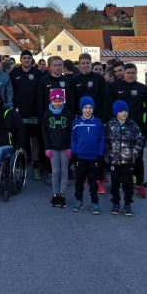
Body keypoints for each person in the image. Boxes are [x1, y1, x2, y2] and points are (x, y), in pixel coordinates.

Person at [108, 63, 147, 199]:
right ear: (124, 73)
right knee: (118, 157)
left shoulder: (143, 88)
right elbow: (109, 106)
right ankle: (118, 183)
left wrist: (146, 126)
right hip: (119, 128)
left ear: (136, 73)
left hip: (137, 128)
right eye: (128, 73)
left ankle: (139, 184)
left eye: (133, 73)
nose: (130, 75)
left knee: (137, 157)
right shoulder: (115, 87)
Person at [71, 53, 110, 193]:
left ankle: (98, 179)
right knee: (83, 147)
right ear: (79, 64)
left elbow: (105, 99)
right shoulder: (75, 80)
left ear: (91, 64)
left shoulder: (99, 79)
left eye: (88, 63)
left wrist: (104, 119)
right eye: (83, 63)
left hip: (97, 119)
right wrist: (74, 118)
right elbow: (73, 101)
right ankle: (85, 176)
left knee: (98, 149)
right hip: (81, 121)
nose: (85, 65)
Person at [36, 56, 74, 186]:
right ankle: (51, 172)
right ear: (50, 66)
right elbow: (40, 101)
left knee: (65, 146)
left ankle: (65, 173)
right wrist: (42, 118)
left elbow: (71, 100)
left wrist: (71, 116)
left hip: (64, 120)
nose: (58, 68)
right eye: (55, 65)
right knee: (49, 146)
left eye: (60, 65)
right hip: (49, 120)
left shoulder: (67, 81)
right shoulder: (44, 80)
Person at [104, 100, 143, 217]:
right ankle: (115, 203)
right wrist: (109, 153)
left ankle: (127, 204)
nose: (124, 113)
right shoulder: (110, 125)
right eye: (121, 111)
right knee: (115, 183)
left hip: (128, 160)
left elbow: (139, 140)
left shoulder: (133, 125)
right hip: (114, 160)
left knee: (128, 183)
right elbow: (106, 141)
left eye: (125, 111)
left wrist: (134, 153)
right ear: (116, 112)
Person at [10, 49, 44, 181]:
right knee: (20, 139)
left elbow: (41, 93)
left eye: (28, 58)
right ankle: (19, 164)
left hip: (34, 112)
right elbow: (10, 92)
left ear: (31, 59)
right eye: (24, 58)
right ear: (21, 59)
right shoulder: (14, 73)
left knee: (35, 140)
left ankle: (36, 167)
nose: (26, 60)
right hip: (19, 112)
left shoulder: (38, 73)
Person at [71, 96, 105, 215]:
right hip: (80, 156)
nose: (88, 110)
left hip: (94, 157)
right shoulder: (76, 123)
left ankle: (94, 203)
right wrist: (74, 153)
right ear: (81, 109)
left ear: (93, 109)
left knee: (93, 181)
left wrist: (100, 154)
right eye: (85, 107)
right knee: (79, 180)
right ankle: (78, 201)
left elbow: (101, 139)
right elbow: (73, 139)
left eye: (90, 108)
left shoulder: (98, 122)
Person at [42, 89, 73, 208]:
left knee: (64, 171)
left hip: (65, 148)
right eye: (55, 101)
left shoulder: (68, 114)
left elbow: (71, 132)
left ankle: (62, 194)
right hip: (53, 148)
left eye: (59, 101)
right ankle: (55, 194)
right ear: (51, 101)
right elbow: (45, 132)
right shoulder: (47, 114)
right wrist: (47, 148)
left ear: (63, 101)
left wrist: (70, 148)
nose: (57, 103)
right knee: (55, 171)